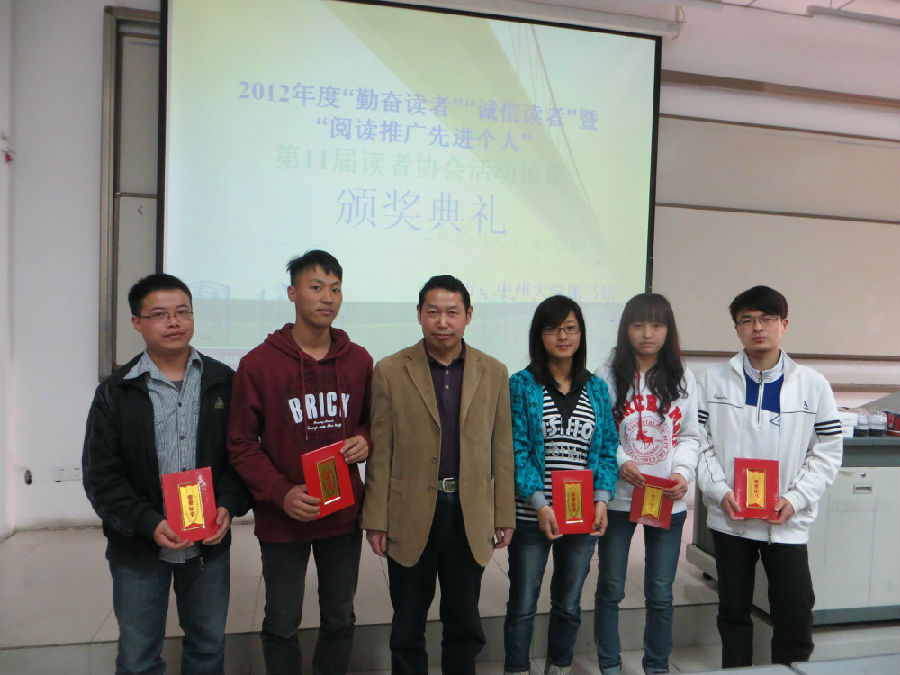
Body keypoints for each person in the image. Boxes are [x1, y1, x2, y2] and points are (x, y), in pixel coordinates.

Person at [82, 273, 251, 675]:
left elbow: (242, 457)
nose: (174, 322)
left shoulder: (223, 382)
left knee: (208, 648)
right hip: (140, 548)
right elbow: (101, 477)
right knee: (138, 657)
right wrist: (148, 523)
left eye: (182, 312)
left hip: (208, 546)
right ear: (137, 323)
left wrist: (228, 505)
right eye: (159, 314)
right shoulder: (116, 392)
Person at [227, 250, 373, 675]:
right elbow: (241, 442)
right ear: (292, 293)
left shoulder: (359, 360)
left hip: (342, 515)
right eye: (316, 287)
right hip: (284, 516)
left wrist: (365, 440)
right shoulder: (258, 364)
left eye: (335, 289)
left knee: (340, 617)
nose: (327, 298)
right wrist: (282, 493)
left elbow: (372, 422)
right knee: (281, 621)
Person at [361, 274, 515, 675]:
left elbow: (501, 449)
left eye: (452, 312)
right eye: (433, 312)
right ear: (419, 315)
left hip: (469, 512)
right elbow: (381, 452)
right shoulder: (391, 370)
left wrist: (504, 513)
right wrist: (376, 518)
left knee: (464, 620)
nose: (442, 322)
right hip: (410, 511)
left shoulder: (493, 372)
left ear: (468, 315)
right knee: (407, 621)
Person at [696, 285, 842, 667]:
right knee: (733, 613)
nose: (757, 327)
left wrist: (796, 498)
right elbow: (698, 441)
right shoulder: (713, 380)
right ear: (736, 328)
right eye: (747, 320)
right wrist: (719, 489)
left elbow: (827, 451)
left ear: (784, 325)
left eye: (767, 319)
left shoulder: (812, 385)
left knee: (795, 614)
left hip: (786, 520)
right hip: (730, 518)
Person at [504, 295, 619, 675]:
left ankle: (559, 667)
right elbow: (517, 450)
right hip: (531, 514)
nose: (563, 336)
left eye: (571, 328)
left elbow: (607, 449)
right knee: (523, 603)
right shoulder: (521, 385)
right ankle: (517, 669)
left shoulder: (596, 388)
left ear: (581, 334)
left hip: (581, 515)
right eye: (553, 329)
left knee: (568, 603)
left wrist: (602, 500)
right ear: (539, 336)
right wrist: (540, 504)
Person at [593, 292, 700, 675]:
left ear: (668, 330)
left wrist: (682, 473)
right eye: (638, 325)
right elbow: (600, 430)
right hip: (618, 501)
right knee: (611, 588)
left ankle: (656, 666)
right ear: (626, 329)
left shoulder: (683, 377)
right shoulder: (606, 375)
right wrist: (622, 461)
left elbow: (691, 435)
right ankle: (609, 664)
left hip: (666, 498)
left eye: (656, 325)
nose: (647, 333)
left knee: (660, 591)